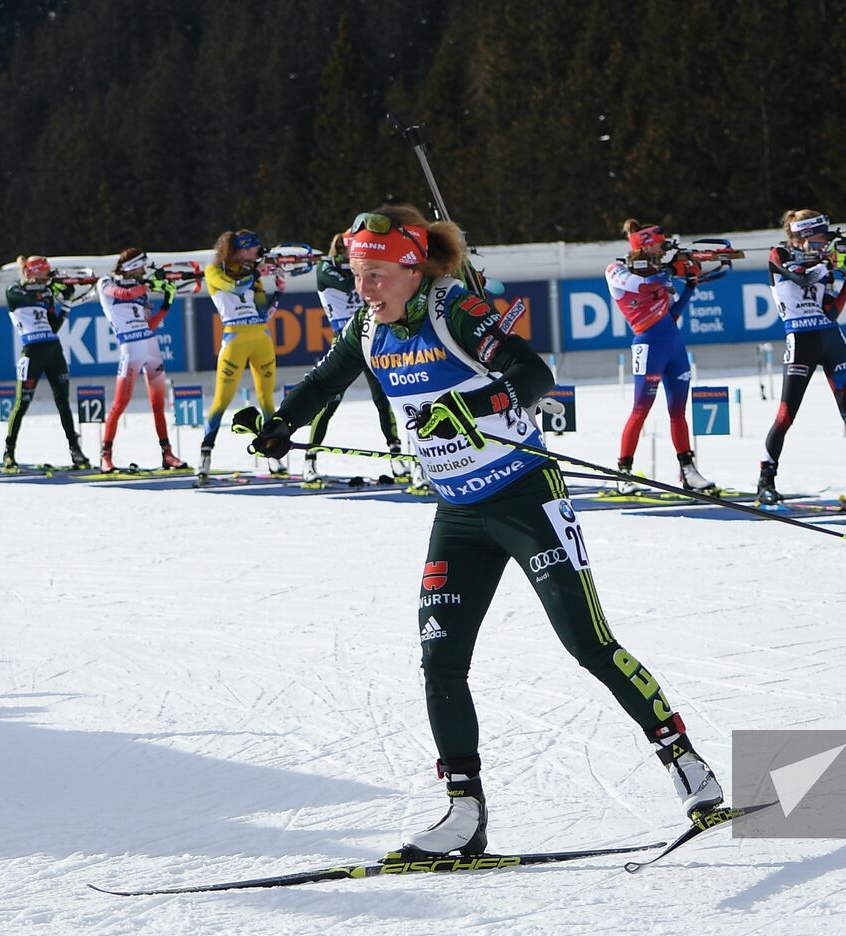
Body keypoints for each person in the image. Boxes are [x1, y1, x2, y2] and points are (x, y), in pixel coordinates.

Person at [233, 205, 724, 859]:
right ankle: (465, 813)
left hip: (524, 497)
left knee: (588, 642)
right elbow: (326, 379)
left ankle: (684, 760)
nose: (365, 287)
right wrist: (280, 424)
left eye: (377, 274)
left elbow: (533, 376)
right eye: (358, 273)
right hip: (457, 515)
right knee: (440, 660)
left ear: (411, 269)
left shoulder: (452, 309)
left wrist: (466, 404)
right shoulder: (367, 327)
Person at [755, 210, 846, 505]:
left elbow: (831, 311)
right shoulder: (779, 253)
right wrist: (826, 263)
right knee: (786, 415)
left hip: (830, 338)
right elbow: (801, 278)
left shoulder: (824, 260)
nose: (825, 243)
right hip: (800, 339)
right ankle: (765, 481)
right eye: (821, 238)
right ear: (804, 235)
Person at [606, 219, 714, 493]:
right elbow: (642, 287)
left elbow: (671, 315)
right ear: (644, 245)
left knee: (678, 412)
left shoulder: (657, 272)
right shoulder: (617, 269)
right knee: (641, 409)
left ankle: (688, 471)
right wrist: (667, 274)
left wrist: (690, 284)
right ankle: (624, 473)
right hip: (648, 345)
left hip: (673, 345)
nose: (662, 251)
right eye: (657, 246)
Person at [304, 232, 410, 485]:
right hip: (344, 340)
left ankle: (396, 457)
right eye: (349, 250)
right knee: (329, 402)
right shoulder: (325, 267)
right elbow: (346, 284)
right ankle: (310, 460)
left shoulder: (362, 268)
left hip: (371, 336)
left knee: (383, 399)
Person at [196, 229, 285, 485]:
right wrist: (256, 272)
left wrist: (278, 292)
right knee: (221, 401)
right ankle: (205, 456)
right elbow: (233, 286)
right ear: (241, 249)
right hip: (234, 339)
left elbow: (261, 312)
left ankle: (272, 454)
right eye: (253, 248)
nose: (257, 253)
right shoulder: (214, 270)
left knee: (268, 400)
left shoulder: (251, 273)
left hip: (261, 338)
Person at [94, 248, 187, 472]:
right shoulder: (106, 282)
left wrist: (167, 303)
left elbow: (150, 325)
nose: (143, 271)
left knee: (158, 404)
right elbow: (124, 294)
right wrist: (148, 285)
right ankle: (105, 456)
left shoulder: (139, 290)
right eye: (140, 266)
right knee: (120, 403)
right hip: (130, 348)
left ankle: (167, 454)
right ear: (130, 266)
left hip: (150, 346)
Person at [1, 255, 89, 471]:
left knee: (63, 403)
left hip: (53, 349)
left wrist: (65, 305)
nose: (48, 276)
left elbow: (52, 326)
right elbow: (26, 297)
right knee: (22, 403)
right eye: (45, 272)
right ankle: (9, 453)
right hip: (31, 351)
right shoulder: (15, 290)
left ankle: (75, 451)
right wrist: (49, 289)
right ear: (32, 272)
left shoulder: (45, 293)